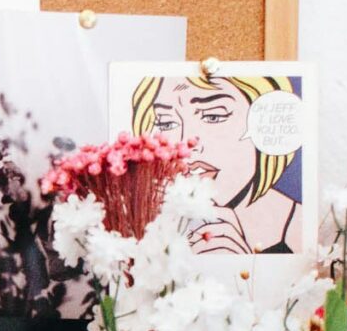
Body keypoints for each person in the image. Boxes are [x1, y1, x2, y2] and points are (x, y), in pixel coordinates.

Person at [129, 72, 303, 255]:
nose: (187, 144)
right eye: (166, 123)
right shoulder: (139, 225)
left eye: (213, 117)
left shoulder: (303, 226)